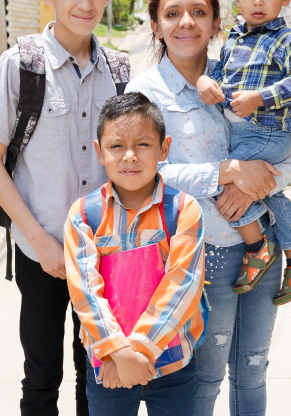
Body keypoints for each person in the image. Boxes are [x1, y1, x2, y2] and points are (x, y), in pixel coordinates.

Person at [125, 0, 291, 416]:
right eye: (172, 14)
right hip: (202, 256)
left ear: (217, 21)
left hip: (264, 245)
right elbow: (145, 175)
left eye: (199, 12)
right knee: (205, 380)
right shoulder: (144, 93)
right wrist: (227, 173)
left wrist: (255, 184)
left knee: (253, 369)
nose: (187, 22)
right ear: (155, 25)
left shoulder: (244, 71)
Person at [0, 0, 120, 416]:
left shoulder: (119, 72)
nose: (85, 1)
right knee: (42, 374)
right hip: (39, 249)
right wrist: (38, 240)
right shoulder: (19, 65)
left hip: (104, 253)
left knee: (98, 373)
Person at [64, 92, 206, 416]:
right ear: (100, 152)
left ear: (164, 148)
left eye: (143, 144)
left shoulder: (184, 210)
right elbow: (84, 291)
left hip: (173, 365)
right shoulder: (84, 215)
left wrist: (138, 352)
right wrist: (118, 353)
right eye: (116, 146)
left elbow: (183, 284)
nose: (130, 156)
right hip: (109, 368)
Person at [197, 0, 291, 304]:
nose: (258, 0)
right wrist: (206, 80)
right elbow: (218, 75)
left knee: (227, 188)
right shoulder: (234, 38)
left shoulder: (286, 40)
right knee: (270, 193)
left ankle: (258, 248)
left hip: (268, 132)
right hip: (244, 133)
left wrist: (259, 98)